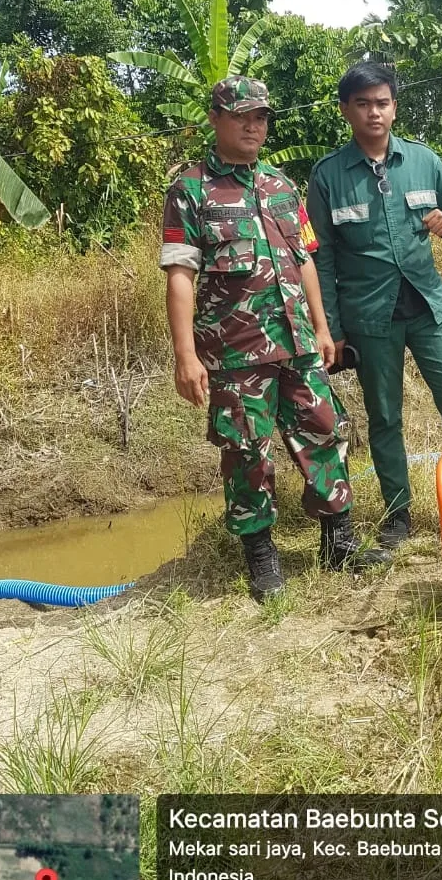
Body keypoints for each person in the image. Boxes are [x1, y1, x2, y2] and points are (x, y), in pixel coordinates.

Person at [160, 75, 386, 601]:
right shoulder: (190, 190)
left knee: (325, 431)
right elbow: (179, 275)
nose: (252, 125)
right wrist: (186, 356)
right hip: (236, 351)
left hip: (299, 342)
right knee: (247, 450)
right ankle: (261, 557)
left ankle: (338, 542)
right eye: (241, 115)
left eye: (260, 116)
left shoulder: (281, 186)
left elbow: (305, 258)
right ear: (215, 118)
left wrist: (323, 328)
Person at [307, 62, 442, 548]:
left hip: (428, 306)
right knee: (384, 416)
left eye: (382, 102)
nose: (373, 113)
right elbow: (319, 258)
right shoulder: (327, 177)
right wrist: (333, 330)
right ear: (346, 110)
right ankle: (398, 515)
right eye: (362, 104)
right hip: (369, 316)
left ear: (395, 107)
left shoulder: (424, 161)